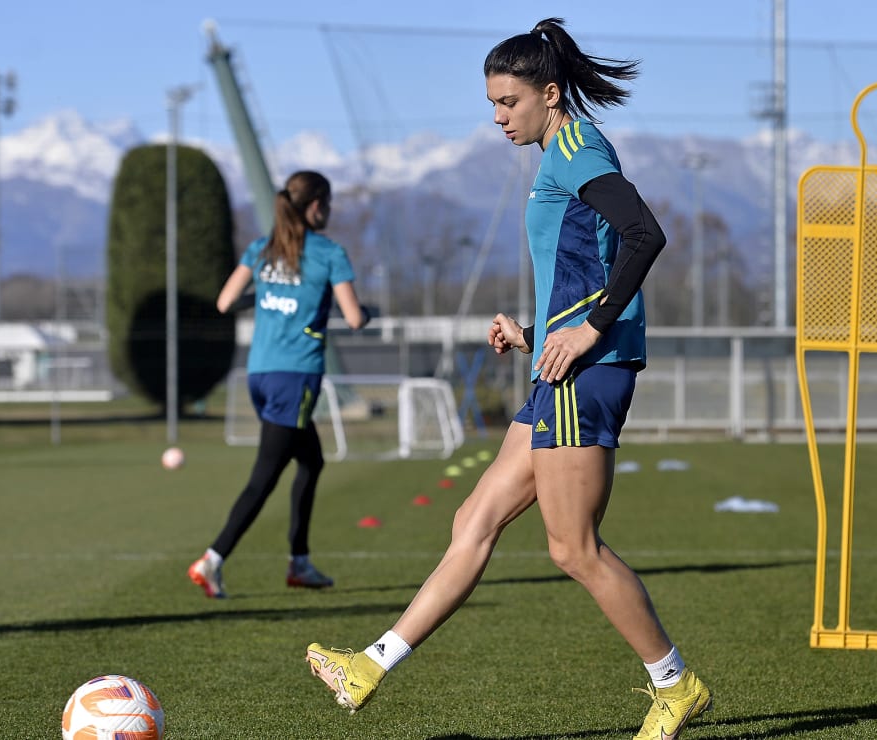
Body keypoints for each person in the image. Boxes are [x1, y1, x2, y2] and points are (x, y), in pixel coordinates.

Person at [305, 18, 711, 739]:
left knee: (571, 548)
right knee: (474, 520)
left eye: (508, 102)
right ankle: (370, 665)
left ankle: (674, 685)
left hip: (589, 375)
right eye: (491, 102)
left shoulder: (577, 149)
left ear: (549, 94)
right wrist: (534, 332)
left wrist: (588, 331)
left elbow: (645, 234)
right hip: (562, 368)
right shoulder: (559, 151)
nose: (496, 117)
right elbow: (584, 266)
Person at [188, 170, 369, 598]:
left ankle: (300, 562)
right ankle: (212, 559)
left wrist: (267, 295)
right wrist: (367, 312)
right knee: (265, 476)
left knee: (311, 461)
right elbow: (356, 318)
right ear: (316, 205)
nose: (329, 210)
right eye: (328, 202)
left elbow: (225, 301)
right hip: (295, 377)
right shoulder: (328, 253)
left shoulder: (261, 250)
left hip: (260, 374)